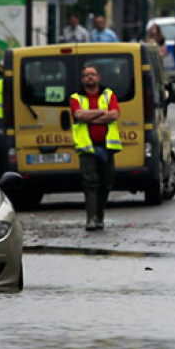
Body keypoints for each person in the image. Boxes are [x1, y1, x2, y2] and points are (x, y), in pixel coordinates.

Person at [70, 64, 122, 232]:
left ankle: (99, 216)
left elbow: (114, 114)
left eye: (93, 74)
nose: (90, 77)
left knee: (106, 183)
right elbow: (78, 115)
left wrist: (89, 117)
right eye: (87, 75)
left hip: (107, 147)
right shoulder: (76, 98)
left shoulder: (108, 94)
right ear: (82, 80)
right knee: (90, 184)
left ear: (98, 77)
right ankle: (91, 219)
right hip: (87, 148)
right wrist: (101, 112)